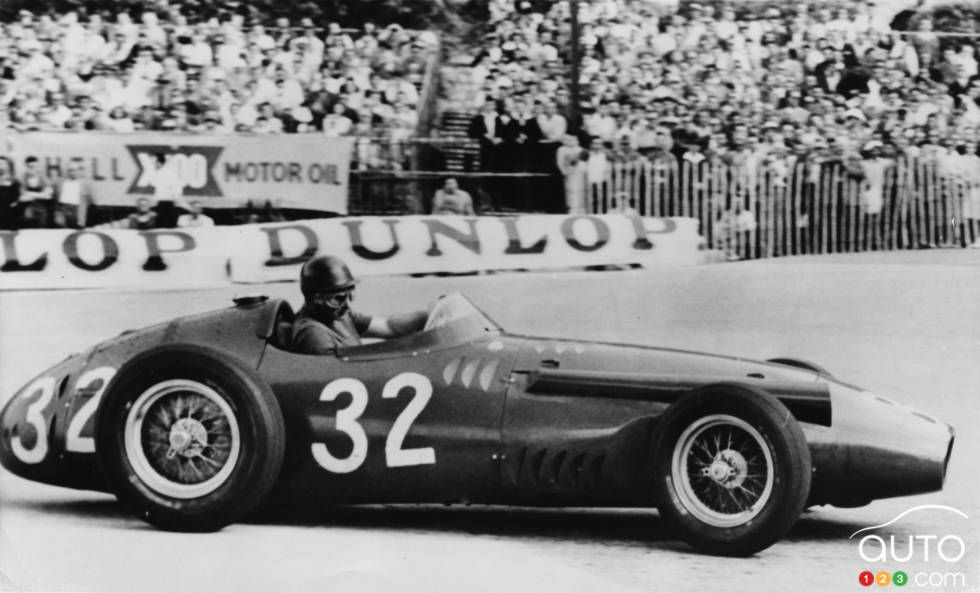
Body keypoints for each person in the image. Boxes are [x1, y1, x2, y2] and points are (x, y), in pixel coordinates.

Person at [291, 255, 428, 354]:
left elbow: (389, 327)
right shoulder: (312, 333)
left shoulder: (339, 314)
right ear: (315, 298)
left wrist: (428, 314)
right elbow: (336, 375)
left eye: (350, 295)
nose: (346, 305)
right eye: (338, 298)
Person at [53, 162, 95, 228]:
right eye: (70, 170)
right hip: (63, 208)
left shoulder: (84, 184)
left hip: (76, 210)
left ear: (78, 171)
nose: (73, 172)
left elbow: (89, 199)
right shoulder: (61, 183)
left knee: (75, 228)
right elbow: (55, 196)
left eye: (75, 170)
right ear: (67, 171)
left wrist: (82, 208)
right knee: (60, 226)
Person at [0, 157, 21, 231]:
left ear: (8, 166)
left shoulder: (14, 181)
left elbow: (16, 198)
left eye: (3, 163)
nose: (0, 165)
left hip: (9, 214)